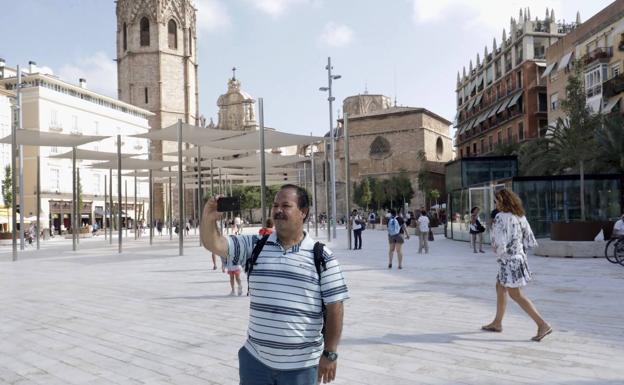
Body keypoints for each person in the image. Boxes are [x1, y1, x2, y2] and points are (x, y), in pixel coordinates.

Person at [201, 184, 349, 385]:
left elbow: (335, 308)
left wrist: (330, 353)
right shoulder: (255, 246)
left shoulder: (321, 257)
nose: (278, 210)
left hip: (301, 367)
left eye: (286, 205)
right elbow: (214, 244)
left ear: (303, 212)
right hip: (255, 363)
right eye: (275, 205)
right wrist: (209, 218)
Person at [482, 189, 552, 342]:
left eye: (496, 201)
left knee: (516, 295)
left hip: (508, 261)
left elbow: (499, 243)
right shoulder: (520, 216)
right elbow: (529, 238)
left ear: (502, 201)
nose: (495, 204)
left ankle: (542, 324)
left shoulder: (500, 217)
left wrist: (497, 249)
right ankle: (497, 322)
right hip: (519, 259)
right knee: (500, 287)